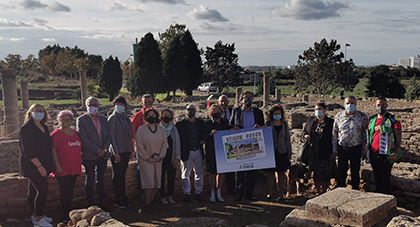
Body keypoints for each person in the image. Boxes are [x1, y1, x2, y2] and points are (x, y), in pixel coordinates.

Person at [76, 96, 113, 211]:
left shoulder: (103, 119)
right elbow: (83, 138)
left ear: (99, 106)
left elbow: (108, 136)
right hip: (89, 155)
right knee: (90, 178)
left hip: (103, 154)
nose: (93, 107)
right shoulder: (81, 120)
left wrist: (105, 149)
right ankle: (91, 202)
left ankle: (102, 200)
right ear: (86, 106)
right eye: (90, 105)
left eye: (95, 105)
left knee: (101, 178)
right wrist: (97, 150)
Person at [19, 104, 53, 227]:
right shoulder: (26, 128)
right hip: (33, 165)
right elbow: (28, 150)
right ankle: (39, 218)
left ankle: (35, 215)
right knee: (43, 190)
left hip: (43, 163)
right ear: (30, 112)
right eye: (36, 110)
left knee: (33, 190)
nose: (39, 112)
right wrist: (39, 166)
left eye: (41, 111)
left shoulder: (44, 126)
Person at [230, 91, 264, 201]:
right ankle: (239, 194)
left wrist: (259, 126)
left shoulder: (258, 112)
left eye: (250, 97)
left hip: (253, 145)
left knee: (251, 172)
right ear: (241, 100)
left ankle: (249, 194)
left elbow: (263, 126)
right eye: (245, 97)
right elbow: (230, 124)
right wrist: (234, 127)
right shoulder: (235, 111)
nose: (248, 99)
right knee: (239, 171)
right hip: (240, 145)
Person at [365, 97, 402, 194]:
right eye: (378, 105)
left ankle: (387, 200)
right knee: (377, 177)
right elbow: (369, 135)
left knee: (385, 178)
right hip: (374, 153)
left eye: (382, 105)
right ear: (375, 106)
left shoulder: (393, 120)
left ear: (386, 105)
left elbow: (398, 137)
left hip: (387, 154)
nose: (380, 107)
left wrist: (395, 152)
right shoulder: (372, 119)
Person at [51, 110, 82, 224]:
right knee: (65, 192)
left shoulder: (75, 133)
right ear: (59, 121)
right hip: (62, 168)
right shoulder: (56, 135)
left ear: (72, 120)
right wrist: (57, 165)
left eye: (68, 120)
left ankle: (70, 212)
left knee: (70, 190)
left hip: (74, 167)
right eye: (63, 120)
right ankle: (65, 214)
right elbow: (53, 150)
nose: (65, 122)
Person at [333, 96, 368, 190]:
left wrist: (365, 149)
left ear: (356, 104)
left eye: (352, 103)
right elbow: (335, 133)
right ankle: (340, 191)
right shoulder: (338, 116)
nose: (350, 105)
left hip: (356, 148)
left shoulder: (362, 117)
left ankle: (355, 191)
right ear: (344, 104)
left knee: (355, 171)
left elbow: (365, 134)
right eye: (348, 103)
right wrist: (334, 149)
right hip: (342, 148)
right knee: (341, 171)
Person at [135, 107, 167, 212]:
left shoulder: (161, 129)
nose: (151, 117)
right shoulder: (141, 130)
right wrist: (147, 157)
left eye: (153, 116)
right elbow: (139, 146)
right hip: (146, 160)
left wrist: (160, 156)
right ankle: (147, 202)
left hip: (158, 160)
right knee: (148, 182)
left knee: (156, 181)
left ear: (156, 117)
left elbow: (164, 144)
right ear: (145, 117)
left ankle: (152, 200)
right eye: (149, 116)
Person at [302, 101, 335, 195]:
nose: (317, 111)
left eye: (319, 109)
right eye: (316, 109)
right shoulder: (311, 120)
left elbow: (334, 137)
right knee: (315, 172)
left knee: (325, 173)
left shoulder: (330, 122)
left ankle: (324, 191)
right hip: (312, 151)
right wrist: (305, 136)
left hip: (325, 151)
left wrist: (334, 151)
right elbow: (304, 132)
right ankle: (318, 191)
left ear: (325, 110)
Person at [176, 104, 205, 203]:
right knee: (185, 174)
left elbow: (205, 133)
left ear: (196, 111)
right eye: (189, 109)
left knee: (199, 173)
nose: (190, 111)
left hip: (198, 150)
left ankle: (198, 192)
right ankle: (187, 193)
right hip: (186, 151)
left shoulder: (201, 123)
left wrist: (203, 139)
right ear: (185, 110)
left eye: (192, 109)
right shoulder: (180, 124)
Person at [108, 96, 134, 208]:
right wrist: (115, 153)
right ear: (114, 105)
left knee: (123, 175)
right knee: (117, 174)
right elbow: (111, 136)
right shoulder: (113, 118)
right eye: (118, 104)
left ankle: (123, 196)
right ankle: (117, 198)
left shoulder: (126, 119)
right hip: (117, 151)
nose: (120, 106)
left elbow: (130, 136)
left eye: (122, 104)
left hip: (126, 150)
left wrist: (132, 149)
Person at [203, 104, 230, 203]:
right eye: (214, 111)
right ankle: (212, 192)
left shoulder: (225, 122)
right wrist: (210, 133)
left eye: (218, 110)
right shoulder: (207, 123)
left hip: (223, 150)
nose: (216, 112)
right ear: (211, 112)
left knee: (221, 172)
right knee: (212, 172)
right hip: (211, 150)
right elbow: (203, 137)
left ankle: (219, 191)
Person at [265, 104, 292, 200]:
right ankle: (270, 193)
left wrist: (289, 152)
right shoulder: (268, 124)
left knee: (281, 173)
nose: (277, 115)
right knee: (271, 173)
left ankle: (281, 193)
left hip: (282, 150)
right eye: (275, 113)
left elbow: (287, 139)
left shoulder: (284, 124)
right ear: (272, 115)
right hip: (272, 151)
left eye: (279, 113)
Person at [131, 94, 154, 200]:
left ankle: (152, 192)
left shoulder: (155, 115)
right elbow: (132, 133)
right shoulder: (137, 116)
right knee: (141, 170)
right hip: (141, 148)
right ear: (142, 103)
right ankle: (141, 193)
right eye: (146, 102)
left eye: (150, 102)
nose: (148, 104)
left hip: (153, 148)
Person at [159, 108, 181, 204]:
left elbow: (177, 143)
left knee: (171, 177)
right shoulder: (158, 128)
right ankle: (162, 196)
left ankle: (170, 196)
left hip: (171, 157)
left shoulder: (173, 129)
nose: (166, 117)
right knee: (161, 178)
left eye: (168, 116)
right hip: (161, 158)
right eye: (164, 115)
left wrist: (177, 158)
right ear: (161, 116)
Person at [218, 94, 235, 194]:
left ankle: (231, 188)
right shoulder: (214, 113)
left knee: (231, 168)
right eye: (221, 101)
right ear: (218, 103)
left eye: (225, 101)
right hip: (219, 144)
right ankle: (218, 189)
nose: (223, 103)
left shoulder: (234, 111)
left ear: (228, 102)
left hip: (231, 143)